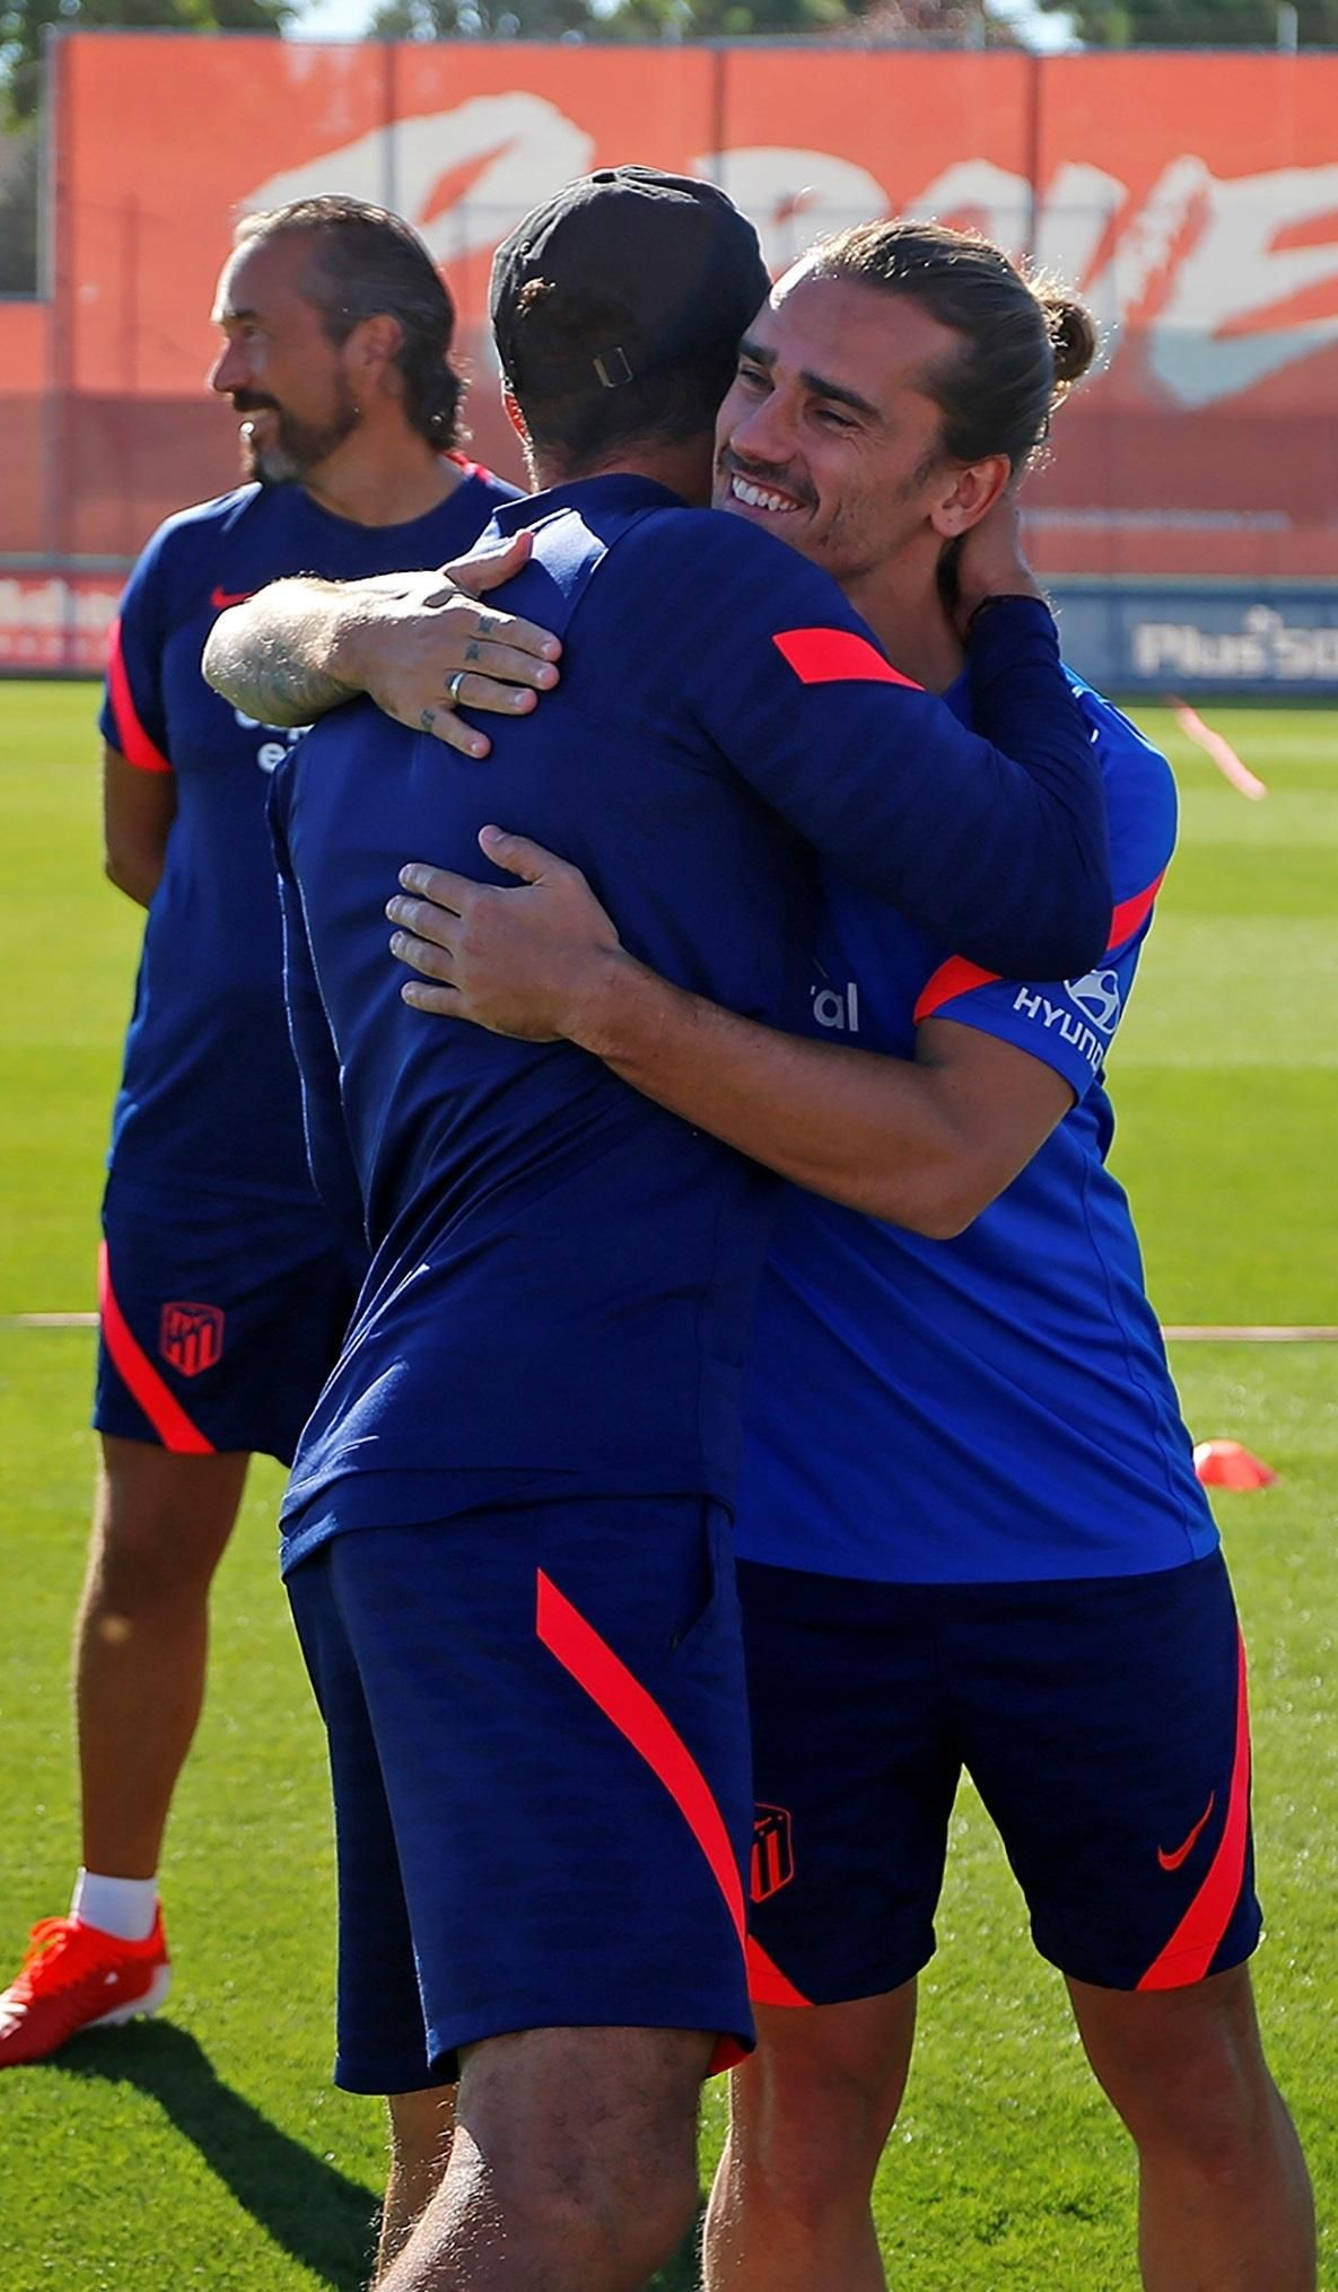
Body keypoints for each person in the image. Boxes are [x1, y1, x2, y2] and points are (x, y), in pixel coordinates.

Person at [365, 222, 1316, 2292]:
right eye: (755, 378)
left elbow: (945, 1161)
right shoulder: (665, 698)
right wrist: (350, 627)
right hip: (775, 1563)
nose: (760, 435)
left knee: (1185, 2076)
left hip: (1077, 1537)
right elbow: (273, 617)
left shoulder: (1077, 785)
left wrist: (601, 1003)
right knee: (797, 2123)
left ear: (964, 489)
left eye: (833, 411)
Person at [208, 168, 1113, 2292]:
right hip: (555, 1474)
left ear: (499, 376)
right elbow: (1040, 888)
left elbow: (327, 1124)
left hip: (388, 1474)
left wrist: (324, 625)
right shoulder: (687, 583)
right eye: (771, 385)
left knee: (464, 2162)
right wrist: (1006, 601)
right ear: (719, 397)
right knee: (588, 2191)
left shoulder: (366, 686)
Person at [0, 198, 517, 2073]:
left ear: (376, 349)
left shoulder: (527, 564)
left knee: (444, 1587)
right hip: (204, 1155)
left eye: (253, 332)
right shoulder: (192, 565)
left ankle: (513, 1980)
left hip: (437, 1175)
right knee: (151, 1553)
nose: (220, 373)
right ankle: (110, 1935)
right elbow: (144, 847)